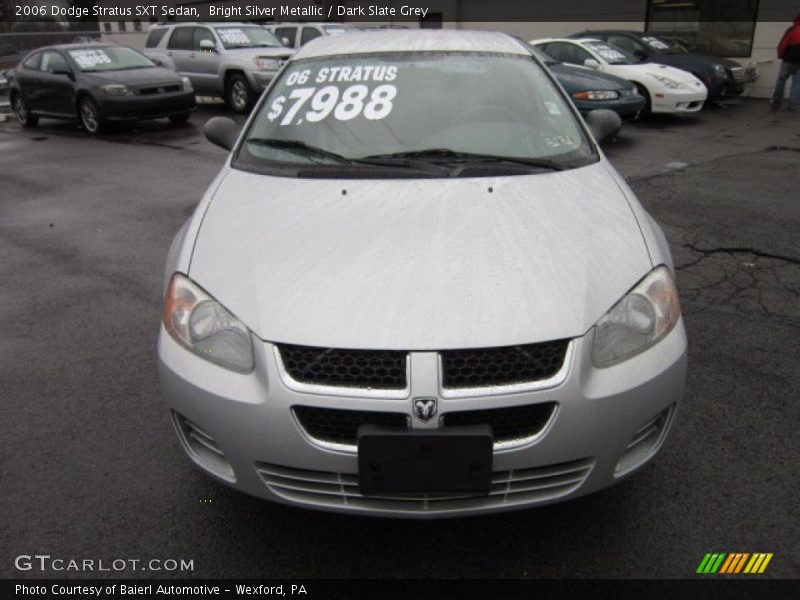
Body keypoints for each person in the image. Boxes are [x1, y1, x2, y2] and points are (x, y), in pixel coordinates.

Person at [771, 14, 800, 110]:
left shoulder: (792, 29)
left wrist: (780, 54)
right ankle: (794, 105)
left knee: (781, 79)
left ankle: (776, 102)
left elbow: (784, 43)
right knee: (797, 82)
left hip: (788, 59)